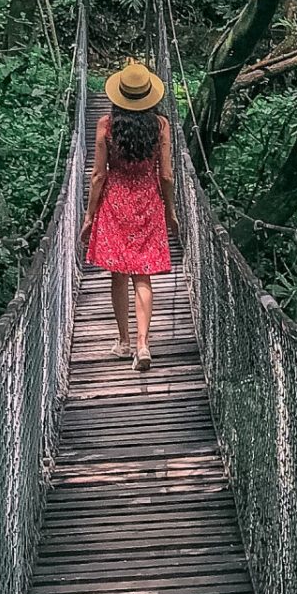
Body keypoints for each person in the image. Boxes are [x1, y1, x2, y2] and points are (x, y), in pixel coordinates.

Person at [83, 59, 176, 371]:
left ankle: (123, 342)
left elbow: (97, 176)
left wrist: (89, 217)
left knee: (118, 274)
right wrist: (171, 212)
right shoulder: (161, 126)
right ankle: (143, 344)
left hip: (115, 204)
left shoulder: (106, 127)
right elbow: (166, 176)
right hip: (148, 204)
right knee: (143, 275)